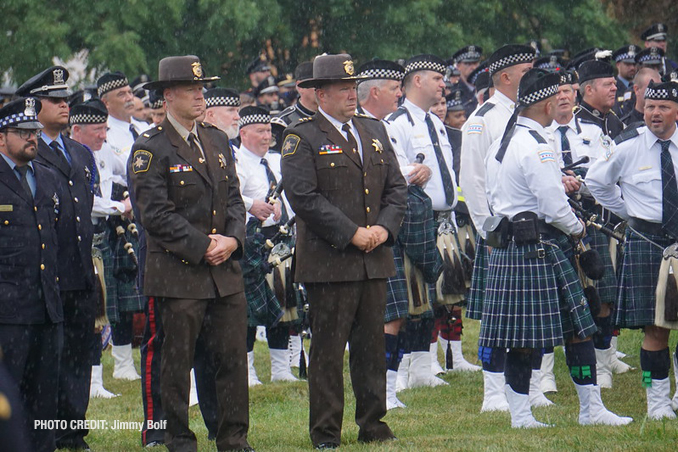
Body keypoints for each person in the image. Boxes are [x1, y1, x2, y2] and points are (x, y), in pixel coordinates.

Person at [483, 68, 632, 429]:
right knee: (580, 331)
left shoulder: (503, 144)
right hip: (543, 247)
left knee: (521, 339)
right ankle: (590, 409)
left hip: (512, 247)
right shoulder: (535, 146)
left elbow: (498, 195)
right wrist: (578, 227)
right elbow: (552, 207)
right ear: (548, 104)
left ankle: (521, 415)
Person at [280, 53, 407, 449]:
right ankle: (326, 432)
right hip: (330, 262)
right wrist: (352, 233)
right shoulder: (302, 136)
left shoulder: (373, 130)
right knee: (328, 352)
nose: (352, 95)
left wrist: (383, 229)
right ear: (320, 94)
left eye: (354, 87)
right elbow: (303, 197)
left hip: (373, 258)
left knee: (372, 350)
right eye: (342, 89)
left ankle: (373, 424)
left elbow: (397, 189)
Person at [129, 55, 252, 452]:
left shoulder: (216, 139)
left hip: (224, 271)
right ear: (168, 96)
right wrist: (204, 248)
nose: (201, 96)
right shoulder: (151, 148)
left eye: (202, 89)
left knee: (232, 359)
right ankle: (178, 438)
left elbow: (234, 198)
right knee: (177, 363)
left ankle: (234, 438)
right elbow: (156, 215)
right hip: (179, 272)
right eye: (192, 90)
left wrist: (232, 240)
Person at [586, 78, 678, 420]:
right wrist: (627, 212)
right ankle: (656, 404)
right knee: (656, 329)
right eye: (651, 107)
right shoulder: (627, 144)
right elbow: (596, 181)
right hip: (647, 242)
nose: (655, 113)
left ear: (676, 111)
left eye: (664, 107)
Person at [16, 66, 98, 450]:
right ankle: (46, 428)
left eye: (67, 99)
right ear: (34, 105)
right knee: (49, 360)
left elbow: (86, 208)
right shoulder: (29, 151)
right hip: (48, 275)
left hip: (79, 270)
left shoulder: (80, 152)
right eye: (56, 100)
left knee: (81, 355)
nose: (66, 105)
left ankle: (73, 427)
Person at [459, 44, 536, 412]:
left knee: (528, 311)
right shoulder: (482, 119)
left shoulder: (529, 114)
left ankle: (526, 386)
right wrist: (487, 233)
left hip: (529, 231)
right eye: (526, 71)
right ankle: (492, 392)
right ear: (505, 77)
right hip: (498, 233)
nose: (533, 75)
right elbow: (472, 183)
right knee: (496, 314)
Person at [0, 97, 63, 452]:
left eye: (34, 132)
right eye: (22, 132)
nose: (32, 138)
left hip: (45, 308)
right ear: (0, 138)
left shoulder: (48, 178)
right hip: (7, 310)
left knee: (44, 402)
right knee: (10, 399)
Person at [68, 99, 129, 400]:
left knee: (100, 310)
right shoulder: (67, 156)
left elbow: (127, 171)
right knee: (84, 313)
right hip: (77, 240)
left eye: (105, 128)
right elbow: (85, 200)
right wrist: (120, 206)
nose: (103, 135)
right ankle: (85, 381)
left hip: (100, 238)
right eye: (97, 130)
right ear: (76, 129)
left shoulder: (104, 152)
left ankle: (95, 382)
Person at [235, 106, 298, 384]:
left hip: (280, 239)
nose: (266, 136)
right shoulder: (237, 162)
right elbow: (229, 197)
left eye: (269, 131)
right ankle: (246, 370)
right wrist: (253, 205)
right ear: (243, 133)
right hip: (253, 241)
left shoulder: (276, 160)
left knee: (283, 303)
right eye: (260, 131)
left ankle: (281, 370)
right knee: (249, 311)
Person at [450, 45, 483, 116]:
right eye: (468, 64)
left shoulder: (486, 88)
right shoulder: (453, 91)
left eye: (475, 63)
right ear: (458, 66)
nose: (473, 67)